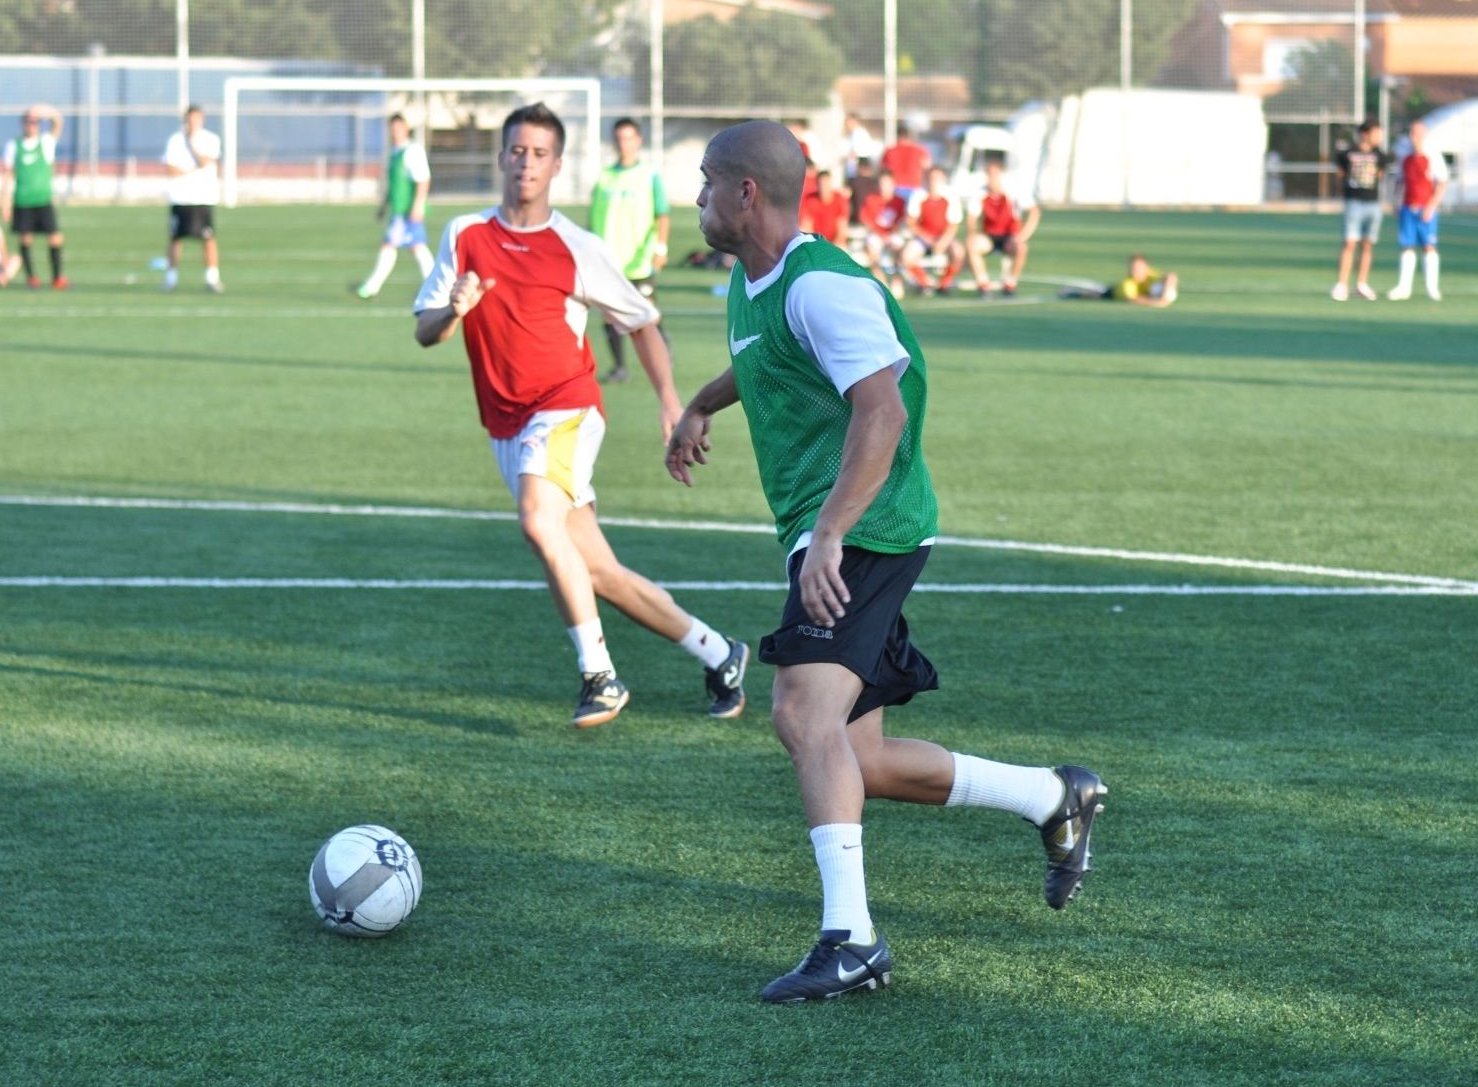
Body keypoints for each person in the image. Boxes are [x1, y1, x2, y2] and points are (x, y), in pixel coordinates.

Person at [668, 119, 1105, 1004]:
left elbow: (882, 413)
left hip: (868, 526)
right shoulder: (753, 284)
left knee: (799, 713)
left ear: (747, 192)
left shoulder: (824, 287)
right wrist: (700, 406)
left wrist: (829, 532)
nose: (699, 197)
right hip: (830, 526)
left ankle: (851, 938)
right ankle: (1051, 797)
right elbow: (767, 366)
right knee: (854, 754)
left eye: (708, 181)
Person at [413, 102, 750, 729]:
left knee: (540, 523)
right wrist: (454, 308)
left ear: (557, 165)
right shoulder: (464, 235)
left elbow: (643, 322)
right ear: (501, 157)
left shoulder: (576, 246)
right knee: (597, 570)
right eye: (517, 150)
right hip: (506, 424)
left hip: (565, 406)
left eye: (540, 153)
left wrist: (673, 404)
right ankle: (719, 652)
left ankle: (600, 676)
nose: (526, 163)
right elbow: (425, 331)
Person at [588, 117, 670, 385]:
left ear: (639, 141)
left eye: (629, 138)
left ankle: (663, 361)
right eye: (619, 138)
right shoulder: (604, 177)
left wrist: (660, 247)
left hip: (640, 259)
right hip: (609, 262)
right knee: (611, 318)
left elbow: (662, 215)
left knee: (649, 314)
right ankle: (620, 367)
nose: (624, 143)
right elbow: (594, 219)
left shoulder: (649, 175)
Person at [356, 113, 434, 300]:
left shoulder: (413, 150)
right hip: (398, 209)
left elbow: (423, 180)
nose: (396, 131)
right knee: (416, 247)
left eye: (399, 128)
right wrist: (384, 205)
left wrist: (418, 205)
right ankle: (434, 285)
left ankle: (372, 286)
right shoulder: (394, 152)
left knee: (392, 245)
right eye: (393, 128)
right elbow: (393, 184)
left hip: (408, 209)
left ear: (406, 128)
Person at [1, 105, 69, 290]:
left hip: (43, 199)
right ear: (22, 124)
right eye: (28, 121)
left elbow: (58, 122)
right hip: (23, 200)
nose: (31, 125)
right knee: (25, 239)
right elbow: (7, 175)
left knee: (55, 237)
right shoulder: (14, 145)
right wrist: (5, 203)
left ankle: (57, 277)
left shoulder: (46, 142)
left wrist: (45, 110)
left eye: (35, 122)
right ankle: (31, 277)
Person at [162, 105, 223, 293]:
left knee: (208, 238)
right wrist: (188, 169)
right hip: (180, 198)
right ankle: (170, 279)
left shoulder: (210, 139)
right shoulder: (174, 140)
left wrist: (191, 145)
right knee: (175, 238)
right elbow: (171, 169)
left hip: (203, 197)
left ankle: (212, 278)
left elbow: (206, 161)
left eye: (197, 118)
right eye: (190, 119)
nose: (193, 122)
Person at [1387, 120, 1448, 302]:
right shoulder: (1404, 157)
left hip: (1426, 209)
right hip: (1407, 208)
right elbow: (1399, 182)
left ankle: (1432, 288)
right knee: (1407, 246)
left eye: (1418, 134)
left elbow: (1441, 183)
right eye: (1412, 134)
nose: (1414, 138)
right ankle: (1404, 288)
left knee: (1429, 246)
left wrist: (1431, 206)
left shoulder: (1433, 156)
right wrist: (1395, 204)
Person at [964, 159, 1039, 296]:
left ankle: (1010, 283)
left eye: (995, 174)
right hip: (989, 236)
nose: (992, 178)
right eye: (989, 174)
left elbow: (1034, 211)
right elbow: (971, 217)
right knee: (972, 244)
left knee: (1021, 247)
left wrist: (1023, 235)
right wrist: (972, 233)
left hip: (1010, 236)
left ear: (1002, 175)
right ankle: (983, 284)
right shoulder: (980, 193)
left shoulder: (1013, 191)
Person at [1330, 118, 1386, 301]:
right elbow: (1340, 175)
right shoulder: (1348, 153)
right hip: (1354, 202)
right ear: (1364, 134)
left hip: (1373, 203)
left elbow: (1380, 175)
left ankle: (1362, 284)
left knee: (1368, 244)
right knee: (1350, 243)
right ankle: (1342, 284)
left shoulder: (1380, 155)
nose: (1379, 136)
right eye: (1375, 132)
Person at [900, 166, 962, 295]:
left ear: (943, 179)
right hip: (923, 238)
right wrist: (927, 239)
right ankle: (925, 282)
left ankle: (945, 282)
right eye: (931, 178)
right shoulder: (919, 195)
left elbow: (953, 225)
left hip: (944, 237)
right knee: (907, 256)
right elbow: (911, 223)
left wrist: (943, 242)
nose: (934, 181)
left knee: (958, 252)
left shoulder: (950, 196)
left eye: (937, 178)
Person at [856, 170, 907, 296]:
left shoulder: (900, 201)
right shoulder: (871, 199)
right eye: (882, 183)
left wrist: (891, 234)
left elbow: (903, 221)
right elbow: (866, 220)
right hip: (877, 234)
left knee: (899, 248)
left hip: (893, 234)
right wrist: (879, 234)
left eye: (887, 183)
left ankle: (897, 280)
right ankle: (881, 282)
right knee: (872, 249)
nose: (884, 186)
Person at [799, 169, 848, 249]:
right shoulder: (809, 200)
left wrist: (833, 246)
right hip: (816, 242)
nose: (824, 188)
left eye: (826, 185)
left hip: (835, 243)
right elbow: (807, 226)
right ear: (817, 185)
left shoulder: (840, 199)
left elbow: (842, 228)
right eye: (821, 185)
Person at [879, 125, 930, 197]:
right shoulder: (919, 150)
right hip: (914, 186)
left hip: (896, 186)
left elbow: (883, 168)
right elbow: (927, 166)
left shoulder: (890, 150)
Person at [840, 114, 878, 181]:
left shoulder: (860, 134)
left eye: (849, 122)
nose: (847, 125)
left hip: (859, 172)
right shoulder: (850, 135)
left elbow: (859, 153)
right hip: (852, 172)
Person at [845, 156, 879, 227]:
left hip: (857, 221)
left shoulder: (853, 182)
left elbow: (846, 197)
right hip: (872, 222)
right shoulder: (876, 183)